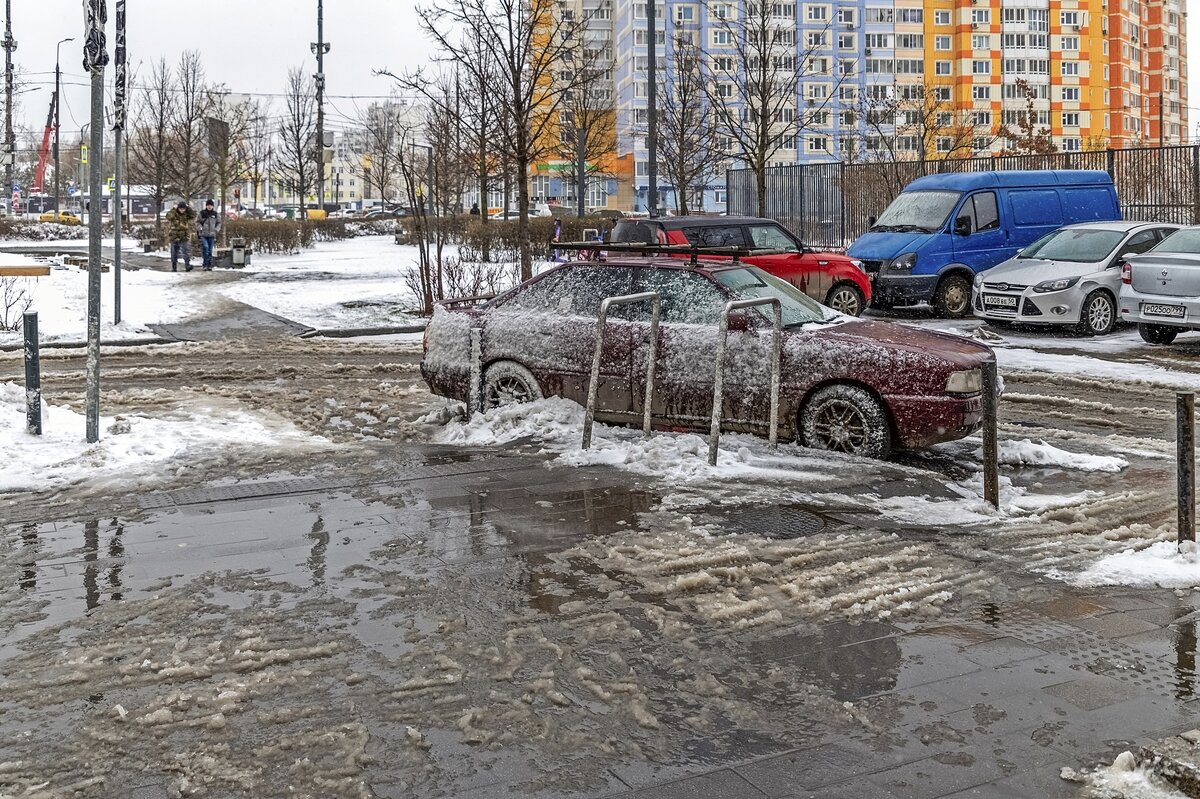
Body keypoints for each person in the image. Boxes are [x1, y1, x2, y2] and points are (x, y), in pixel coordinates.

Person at [165, 201, 197, 272]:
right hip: (174, 236)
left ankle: (187, 265)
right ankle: (174, 267)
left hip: (184, 236)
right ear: (178, 208)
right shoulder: (174, 214)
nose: (182, 210)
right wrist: (173, 209)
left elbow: (193, 215)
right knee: (174, 253)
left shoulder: (186, 214)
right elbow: (168, 216)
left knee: (185, 251)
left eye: (183, 209)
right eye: (181, 209)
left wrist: (188, 208)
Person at [197, 200, 222, 270]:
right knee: (206, 248)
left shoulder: (215, 214)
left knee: (210, 250)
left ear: (213, 206)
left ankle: (209, 265)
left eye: (211, 205)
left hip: (212, 235)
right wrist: (200, 228)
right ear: (206, 205)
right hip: (203, 234)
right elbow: (197, 222)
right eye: (208, 205)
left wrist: (216, 229)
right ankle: (205, 264)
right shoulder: (202, 213)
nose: (209, 206)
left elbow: (219, 222)